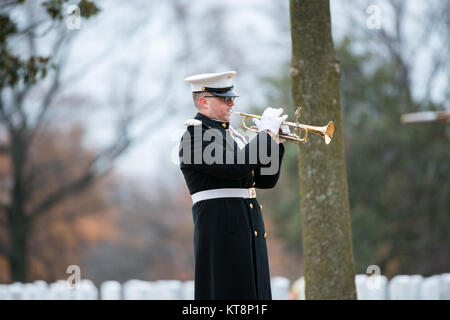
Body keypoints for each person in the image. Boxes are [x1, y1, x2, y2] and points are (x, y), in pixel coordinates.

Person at [179, 70, 288, 300]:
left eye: (232, 98)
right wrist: (265, 134)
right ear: (203, 101)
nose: (232, 103)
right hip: (222, 234)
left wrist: (275, 142)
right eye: (224, 98)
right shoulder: (195, 136)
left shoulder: (233, 137)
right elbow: (234, 167)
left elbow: (266, 180)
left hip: (247, 231)